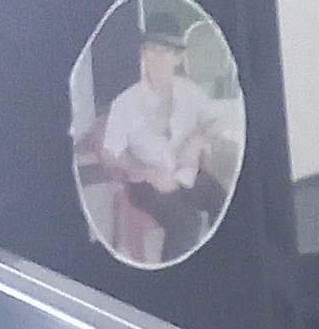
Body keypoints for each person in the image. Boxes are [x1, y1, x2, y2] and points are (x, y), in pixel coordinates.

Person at [83, 24, 234, 266]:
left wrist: (198, 138)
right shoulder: (125, 103)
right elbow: (110, 153)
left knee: (223, 201)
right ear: (142, 55)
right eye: (150, 50)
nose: (155, 58)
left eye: (164, 51)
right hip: (145, 183)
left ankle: (224, 265)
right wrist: (148, 173)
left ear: (177, 57)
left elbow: (219, 120)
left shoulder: (190, 92)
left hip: (185, 173)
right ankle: (175, 281)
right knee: (187, 221)